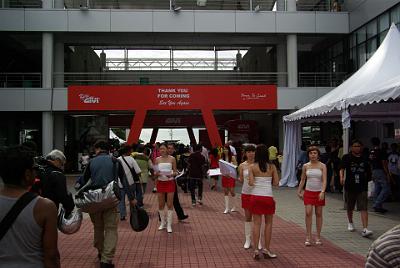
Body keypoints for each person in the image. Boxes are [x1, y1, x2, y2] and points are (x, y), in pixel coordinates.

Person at [0, 145, 60, 268]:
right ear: (27, 174)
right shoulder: (45, 207)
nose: (37, 171)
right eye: (35, 168)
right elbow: (51, 255)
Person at [83, 140, 136, 268]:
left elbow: (84, 180)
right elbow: (124, 180)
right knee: (111, 228)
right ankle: (106, 260)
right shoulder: (115, 161)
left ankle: (101, 252)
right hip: (110, 199)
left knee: (98, 227)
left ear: (99, 149)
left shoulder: (91, 162)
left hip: (95, 199)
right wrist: (131, 198)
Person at [248, 144, 279, 260]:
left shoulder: (252, 167)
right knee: (268, 223)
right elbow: (276, 183)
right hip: (267, 197)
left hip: (255, 196)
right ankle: (267, 249)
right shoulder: (272, 167)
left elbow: (251, 183)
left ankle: (256, 250)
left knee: (256, 224)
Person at [340, 139, 373, 238]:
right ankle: (350, 222)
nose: (357, 148)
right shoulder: (347, 157)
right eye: (354, 146)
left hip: (362, 186)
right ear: (351, 147)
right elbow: (342, 168)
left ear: (361, 147)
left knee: (363, 207)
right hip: (350, 185)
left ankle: (365, 228)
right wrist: (341, 177)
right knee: (350, 206)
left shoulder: (365, 158)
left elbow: (369, 172)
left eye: (358, 146)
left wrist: (370, 182)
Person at [297, 146, 327, 246]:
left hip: (319, 192)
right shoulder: (306, 166)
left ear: (318, 155)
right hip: (308, 192)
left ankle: (318, 236)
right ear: (308, 155)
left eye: (315, 153)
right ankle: (308, 236)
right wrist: (299, 190)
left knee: (318, 213)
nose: (313, 155)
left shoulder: (322, 166)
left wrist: (322, 191)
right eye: (311, 153)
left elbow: (324, 180)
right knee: (308, 212)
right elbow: (302, 179)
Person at [39, 150, 75, 217]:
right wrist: (69, 208)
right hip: (49, 208)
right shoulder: (57, 174)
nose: (61, 167)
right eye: (62, 164)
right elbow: (63, 195)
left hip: (32, 208)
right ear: (57, 160)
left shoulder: (38, 170)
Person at [155, 143, 178, 233]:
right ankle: (162, 223)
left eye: (163, 149)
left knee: (169, 204)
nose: (162, 150)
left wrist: (172, 174)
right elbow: (155, 173)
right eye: (160, 149)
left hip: (170, 182)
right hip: (160, 183)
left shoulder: (172, 159)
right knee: (161, 205)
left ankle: (169, 224)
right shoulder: (157, 159)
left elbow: (176, 171)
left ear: (167, 150)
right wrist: (157, 173)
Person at [117, 143, 142, 221]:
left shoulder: (117, 159)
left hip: (120, 184)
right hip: (130, 183)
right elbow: (138, 171)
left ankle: (122, 215)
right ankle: (133, 213)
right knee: (131, 198)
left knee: (121, 200)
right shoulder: (131, 159)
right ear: (128, 151)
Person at [238, 144, 256, 249]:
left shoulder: (259, 164)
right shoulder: (242, 165)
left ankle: (257, 240)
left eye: (252, 151)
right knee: (248, 217)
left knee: (257, 218)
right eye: (248, 152)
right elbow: (240, 180)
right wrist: (230, 174)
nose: (251, 154)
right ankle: (248, 239)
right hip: (246, 193)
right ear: (245, 153)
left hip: (257, 193)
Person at [166, 143, 189, 221]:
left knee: (175, 200)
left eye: (172, 148)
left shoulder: (173, 158)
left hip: (172, 181)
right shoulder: (161, 158)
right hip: (163, 182)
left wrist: (176, 173)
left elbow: (175, 170)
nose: (170, 150)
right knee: (164, 201)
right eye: (168, 148)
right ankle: (161, 217)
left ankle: (180, 215)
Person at [370, 137, 391, 213]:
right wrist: (387, 174)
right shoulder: (382, 151)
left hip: (374, 171)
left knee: (377, 188)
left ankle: (378, 206)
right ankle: (377, 204)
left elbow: (371, 163)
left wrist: (372, 173)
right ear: (379, 143)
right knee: (386, 188)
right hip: (380, 171)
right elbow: (384, 163)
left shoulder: (371, 152)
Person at [222, 144, 238, 214]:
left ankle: (234, 206)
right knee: (225, 191)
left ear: (229, 150)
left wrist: (230, 173)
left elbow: (235, 167)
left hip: (231, 176)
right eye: (224, 149)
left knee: (231, 191)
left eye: (226, 149)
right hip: (224, 176)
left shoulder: (233, 158)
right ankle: (227, 208)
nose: (225, 150)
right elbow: (221, 168)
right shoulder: (222, 158)